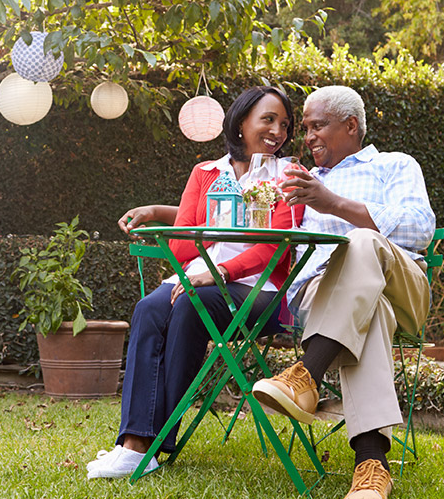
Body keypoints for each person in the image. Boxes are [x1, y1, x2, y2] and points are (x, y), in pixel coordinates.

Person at [86, 86, 303, 479]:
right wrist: (215, 225)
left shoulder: (290, 176)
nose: (278, 131)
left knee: (191, 304)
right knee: (149, 307)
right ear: (240, 124)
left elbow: (275, 248)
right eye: (268, 119)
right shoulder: (205, 173)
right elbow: (185, 244)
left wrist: (219, 270)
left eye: (284, 124)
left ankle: (152, 442)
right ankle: (135, 443)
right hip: (198, 278)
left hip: (263, 293)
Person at [251, 86, 435, 499]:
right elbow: (261, 228)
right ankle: (372, 466)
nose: (309, 136)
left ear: (350, 126)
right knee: (371, 314)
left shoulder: (393, 165)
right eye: (307, 129)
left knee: (364, 242)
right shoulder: (299, 183)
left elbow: (419, 230)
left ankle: (307, 373)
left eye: (318, 126)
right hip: (323, 297)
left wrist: (333, 204)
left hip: (402, 285)